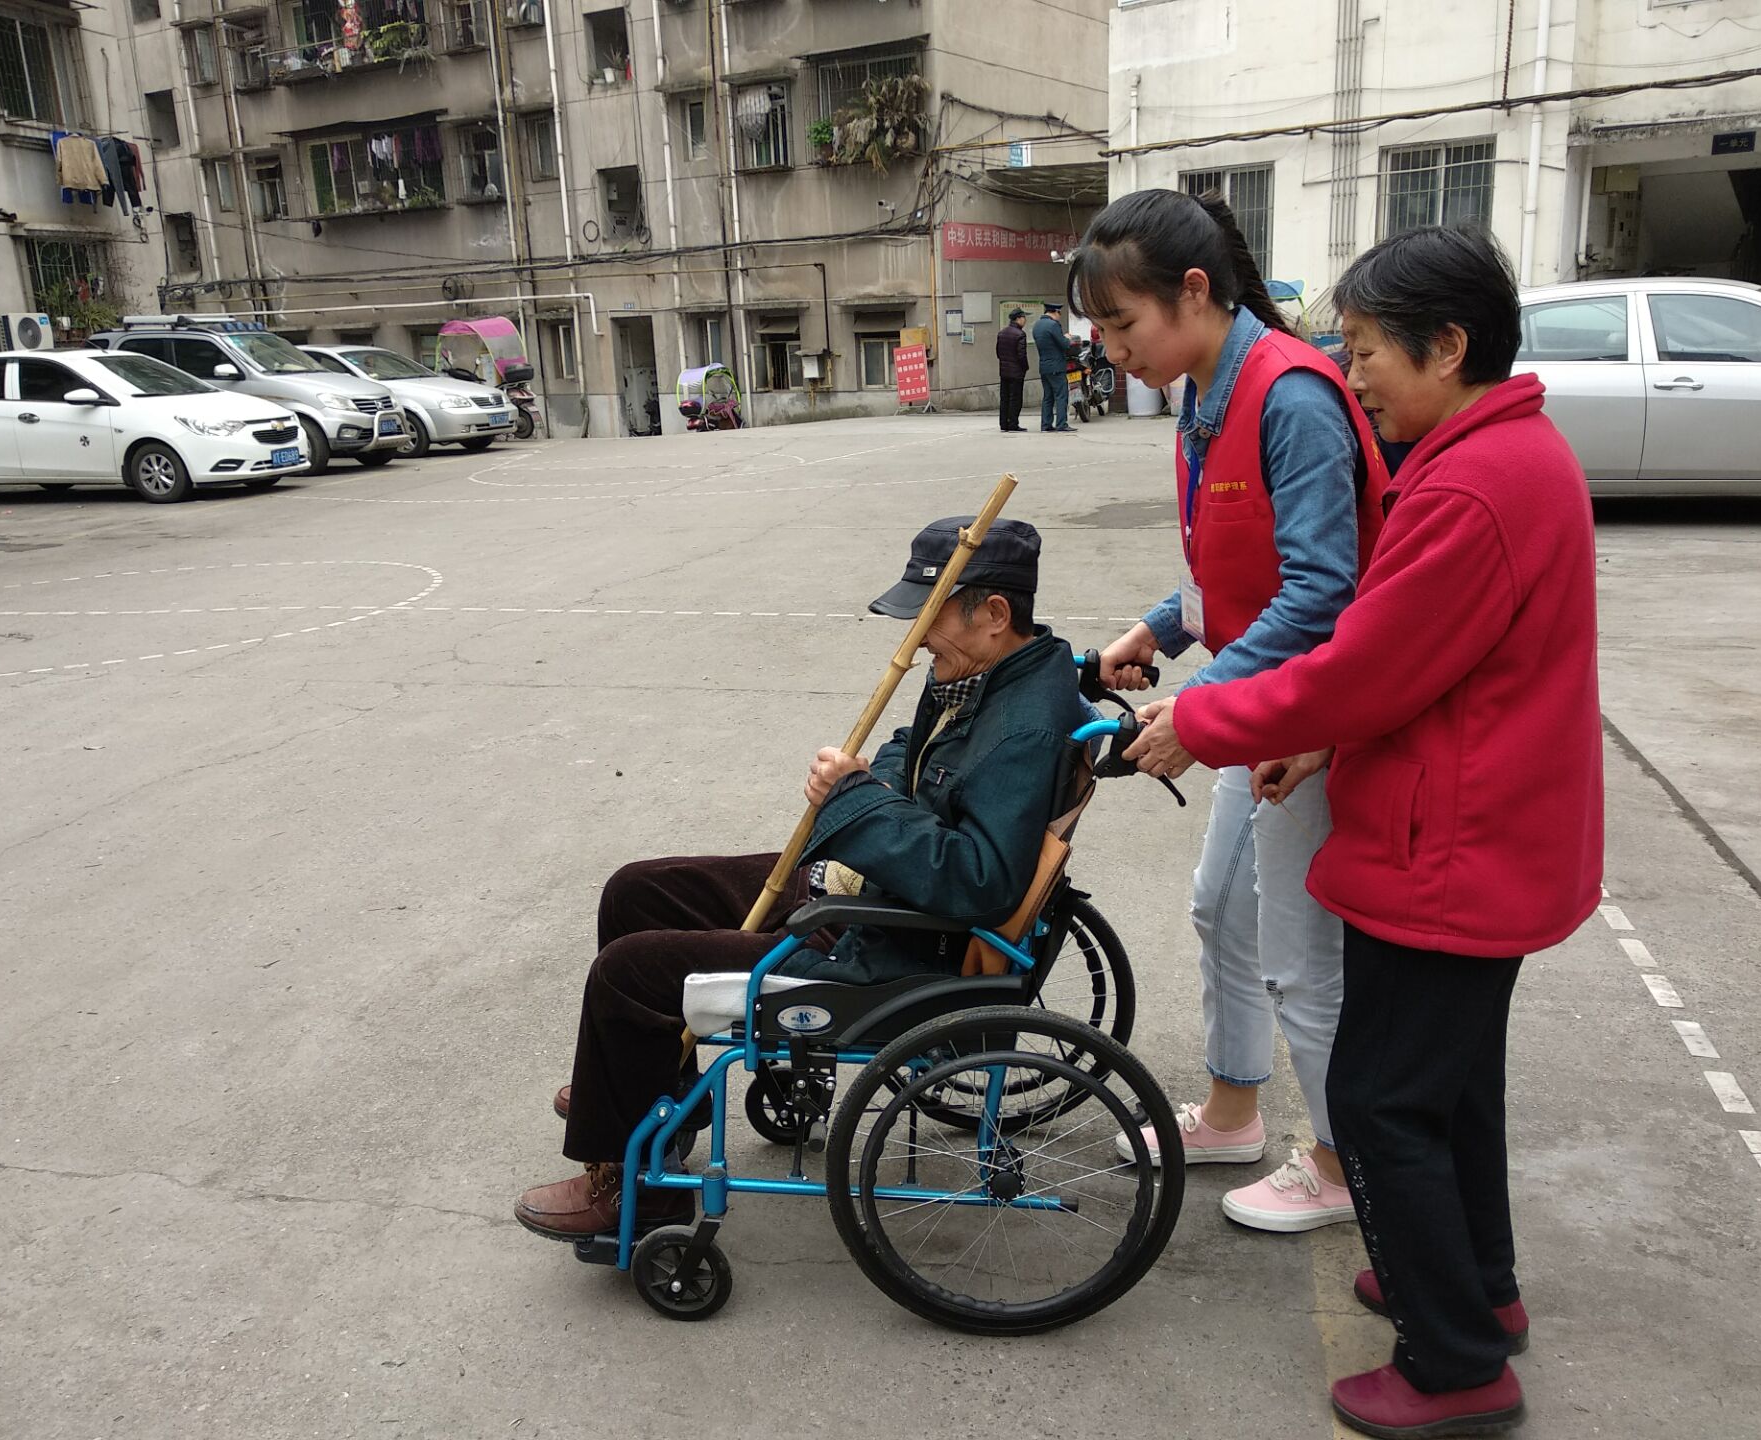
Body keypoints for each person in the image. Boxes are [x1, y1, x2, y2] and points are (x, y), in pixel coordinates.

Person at [1122, 225, 1601, 1438]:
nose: (1355, 374)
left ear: (1448, 347)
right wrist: (1313, 733)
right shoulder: (1497, 456)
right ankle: (1475, 1291)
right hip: (1474, 825)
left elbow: (1362, 664)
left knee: (1383, 1101)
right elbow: (1415, 665)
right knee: (1452, 1092)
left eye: (1370, 349)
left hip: (1453, 847)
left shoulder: (1474, 485)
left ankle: (1456, 1365)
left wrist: (1207, 720)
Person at [515, 516, 1085, 1241]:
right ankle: (652, 1093)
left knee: (628, 972)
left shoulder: (1021, 725)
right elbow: (907, 746)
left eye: (931, 615)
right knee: (636, 891)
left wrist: (855, 802)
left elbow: (979, 882)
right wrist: (870, 785)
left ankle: (635, 1189)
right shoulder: (991, 669)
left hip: (888, 944)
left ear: (994, 613)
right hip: (867, 884)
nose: (917, 640)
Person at [1069, 187, 1389, 1234]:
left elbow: (1321, 593)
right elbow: (1226, 566)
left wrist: (1196, 704)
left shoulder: (1288, 396)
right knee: (1221, 910)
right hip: (1256, 706)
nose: (1113, 350)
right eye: (1101, 328)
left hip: (1310, 718)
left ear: (1195, 292)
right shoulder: (1205, 392)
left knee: (1300, 953)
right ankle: (1233, 1112)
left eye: (1123, 323)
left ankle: (1341, 1167)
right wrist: (1158, 630)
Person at [1031, 300, 1074, 432]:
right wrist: (1067, 338)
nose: (1059, 316)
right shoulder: (1053, 325)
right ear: (1055, 312)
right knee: (1061, 395)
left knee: (1048, 397)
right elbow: (1064, 344)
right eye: (1059, 313)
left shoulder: (1037, 325)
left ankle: (1046, 424)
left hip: (1044, 366)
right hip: (1056, 366)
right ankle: (1061, 424)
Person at [996, 307, 1029, 431]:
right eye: (1024, 318)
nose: (1025, 320)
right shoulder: (1020, 334)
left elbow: (998, 352)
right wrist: (1025, 367)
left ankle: (1004, 423)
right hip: (1016, 372)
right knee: (1015, 398)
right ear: (1018, 318)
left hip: (1004, 371)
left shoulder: (1002, 333)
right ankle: (1013, 423)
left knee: (1004, 398)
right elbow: (1021, 355)